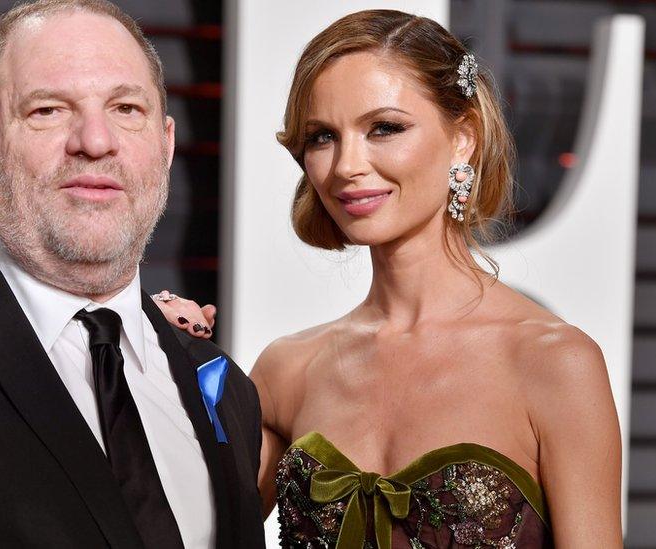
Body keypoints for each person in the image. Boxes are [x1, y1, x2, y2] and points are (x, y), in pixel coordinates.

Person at [156, 9, 622, 548]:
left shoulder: (553, 363)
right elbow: (186, 532)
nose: (348, 165)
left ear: (464, 137)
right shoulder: (289, 370)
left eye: (385, 128)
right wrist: (155, 357)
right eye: (322, 137)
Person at [0, 1, 264, 547]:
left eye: (126, 108)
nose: (95, 141)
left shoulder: (223, 386)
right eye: (48, 110)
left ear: (165, 147)